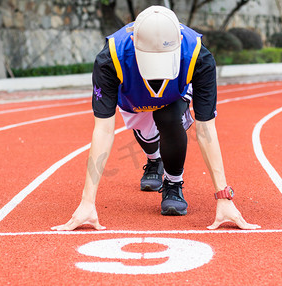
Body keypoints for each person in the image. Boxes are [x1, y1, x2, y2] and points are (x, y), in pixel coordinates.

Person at [52, 6, 260, 231]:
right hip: (134, 97)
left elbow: (206, 129)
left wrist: (223, 197)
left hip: (176, 92)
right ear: (133, 40)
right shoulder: (110, 59)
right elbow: (103, 129)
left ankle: (173, 182)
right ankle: (154, 160)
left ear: (180, 39)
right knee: (147, 138)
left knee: (169, 116)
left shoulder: (198, 57)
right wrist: (87, 202)